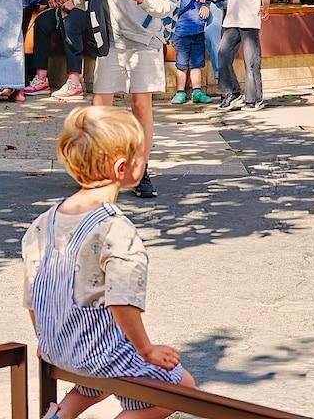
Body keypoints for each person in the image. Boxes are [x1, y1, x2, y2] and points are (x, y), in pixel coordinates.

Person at [24, 106, 195, 419]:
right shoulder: (116, 230)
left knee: (96, 381)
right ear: (121, 167)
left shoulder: (42, 223)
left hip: (57, 347)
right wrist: (147, 350)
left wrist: (46, 342)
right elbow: (122, 302)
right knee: (182, 389)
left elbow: (34, 295)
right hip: (98, 354)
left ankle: (57, 416)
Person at [77, 0, 175, 200]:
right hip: (112, 40)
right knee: (100, 104)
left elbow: (168, 4)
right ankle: (95, 167)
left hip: (144, 42)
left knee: (140, 105)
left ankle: (141, 168)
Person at [216, 0, 270, 112]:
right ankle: (232, 92)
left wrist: (265, 8)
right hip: (231, 22)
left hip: (249, 23)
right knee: (223, 54)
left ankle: (254, 98)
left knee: (251, 61)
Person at [168, 0, 212, 105]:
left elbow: (203, 1)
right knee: (182, 65)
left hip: (198, 32)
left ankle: (197, 91)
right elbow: (177, 9)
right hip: (181, 34)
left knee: (196, 64)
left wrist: (205, 6)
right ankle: (180, 91)